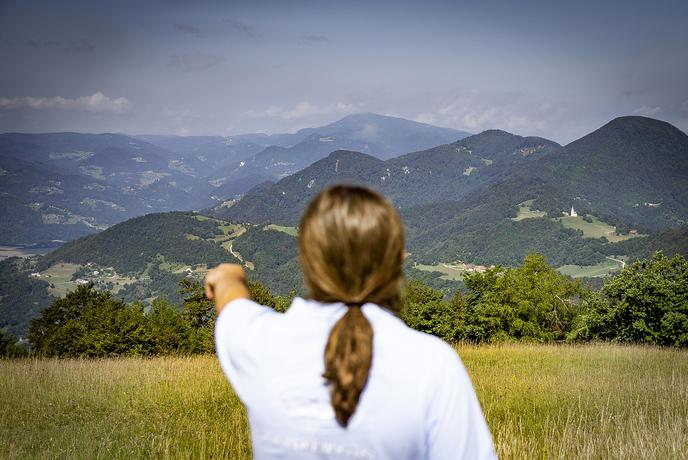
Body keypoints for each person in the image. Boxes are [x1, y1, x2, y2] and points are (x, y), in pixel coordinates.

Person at [205, 185, 496, 459]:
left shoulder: (259, 342)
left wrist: (225, 274)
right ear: (396, 259)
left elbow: (230, 293)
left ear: (306, 259)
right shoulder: (432, 365)